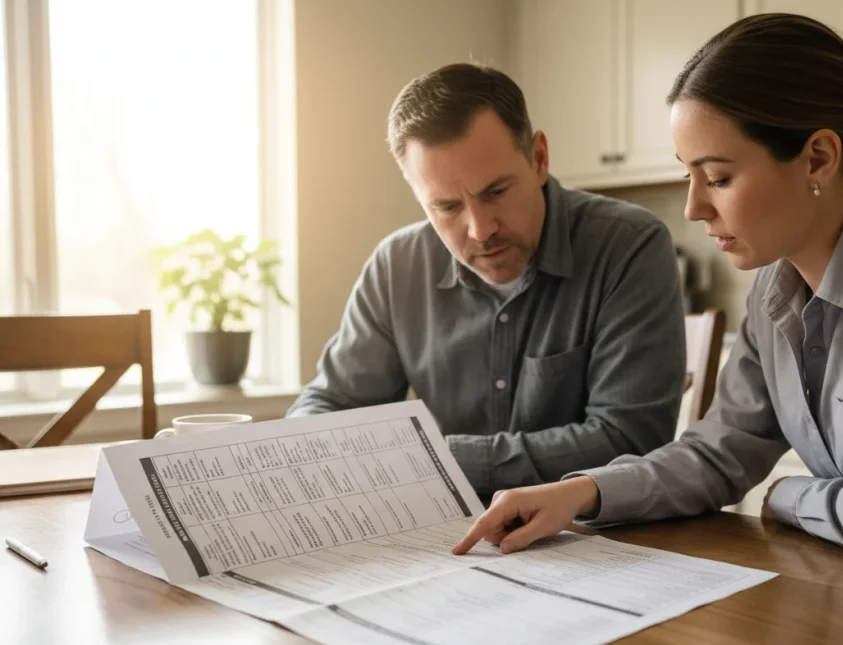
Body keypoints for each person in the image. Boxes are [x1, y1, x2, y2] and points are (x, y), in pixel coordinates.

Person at [454, 13, 843, 567]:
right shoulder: (775, 288)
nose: (694, 208)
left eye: (719, 178)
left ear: (818, 158)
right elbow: (719, 450)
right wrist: (579, 494)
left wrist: (784, 496)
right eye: (690, 176)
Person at [287, 63, 686, 499]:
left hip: (594, 537)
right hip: (441, 538)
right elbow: (329, 406)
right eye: (446, 207)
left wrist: (429, 460)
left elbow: (629, 440)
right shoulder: (397, 264)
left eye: (495, 192)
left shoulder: (627, 245)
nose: (480, 230)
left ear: (538, 158)